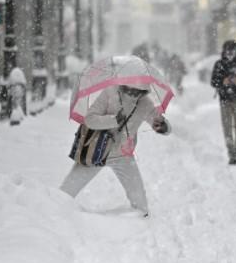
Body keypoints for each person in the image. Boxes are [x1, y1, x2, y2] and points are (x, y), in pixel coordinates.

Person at [60, 83, 171, 217]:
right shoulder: (110, 92)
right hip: (96, 151)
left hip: (123, 156)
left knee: (141, 208)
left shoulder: (145, 102)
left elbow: (159, 122)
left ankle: (139, 227)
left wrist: (163, 127)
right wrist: (114, 120)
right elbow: (90, 119)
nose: (135, 89)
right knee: (63, 195)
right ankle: (54, 219)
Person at [210, 40, 236, 165]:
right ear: (223, 52)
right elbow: (213, 81)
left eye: (232, 51)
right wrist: (223, 81)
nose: (229, 54)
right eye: (227, 51)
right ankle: (231, 152)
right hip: (225, 101)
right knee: (227, 128)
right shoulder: (219, 65)